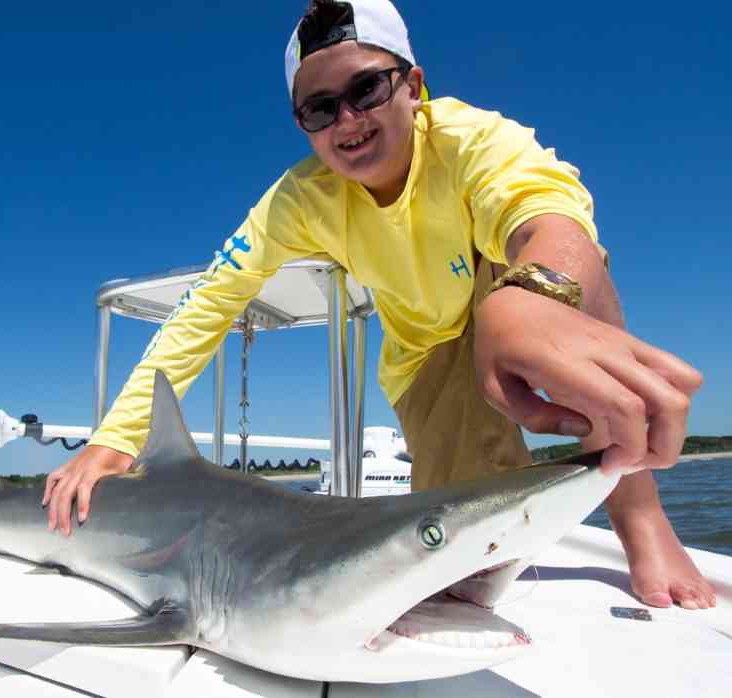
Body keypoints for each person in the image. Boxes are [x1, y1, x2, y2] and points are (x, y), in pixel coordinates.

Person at [42, 0, 715, 610]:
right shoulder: (298, 200)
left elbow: (550, 214)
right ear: (303, 125)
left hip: (505, 288)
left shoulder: (472, 140)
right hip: (423, 348)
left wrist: (536, 295)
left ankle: (640, 514)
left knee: (578, 273)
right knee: (461, 561)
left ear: (414, 86)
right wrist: (116, 439)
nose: (348, 120)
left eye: (366, 88)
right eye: (319, 108)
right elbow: (207, 306)